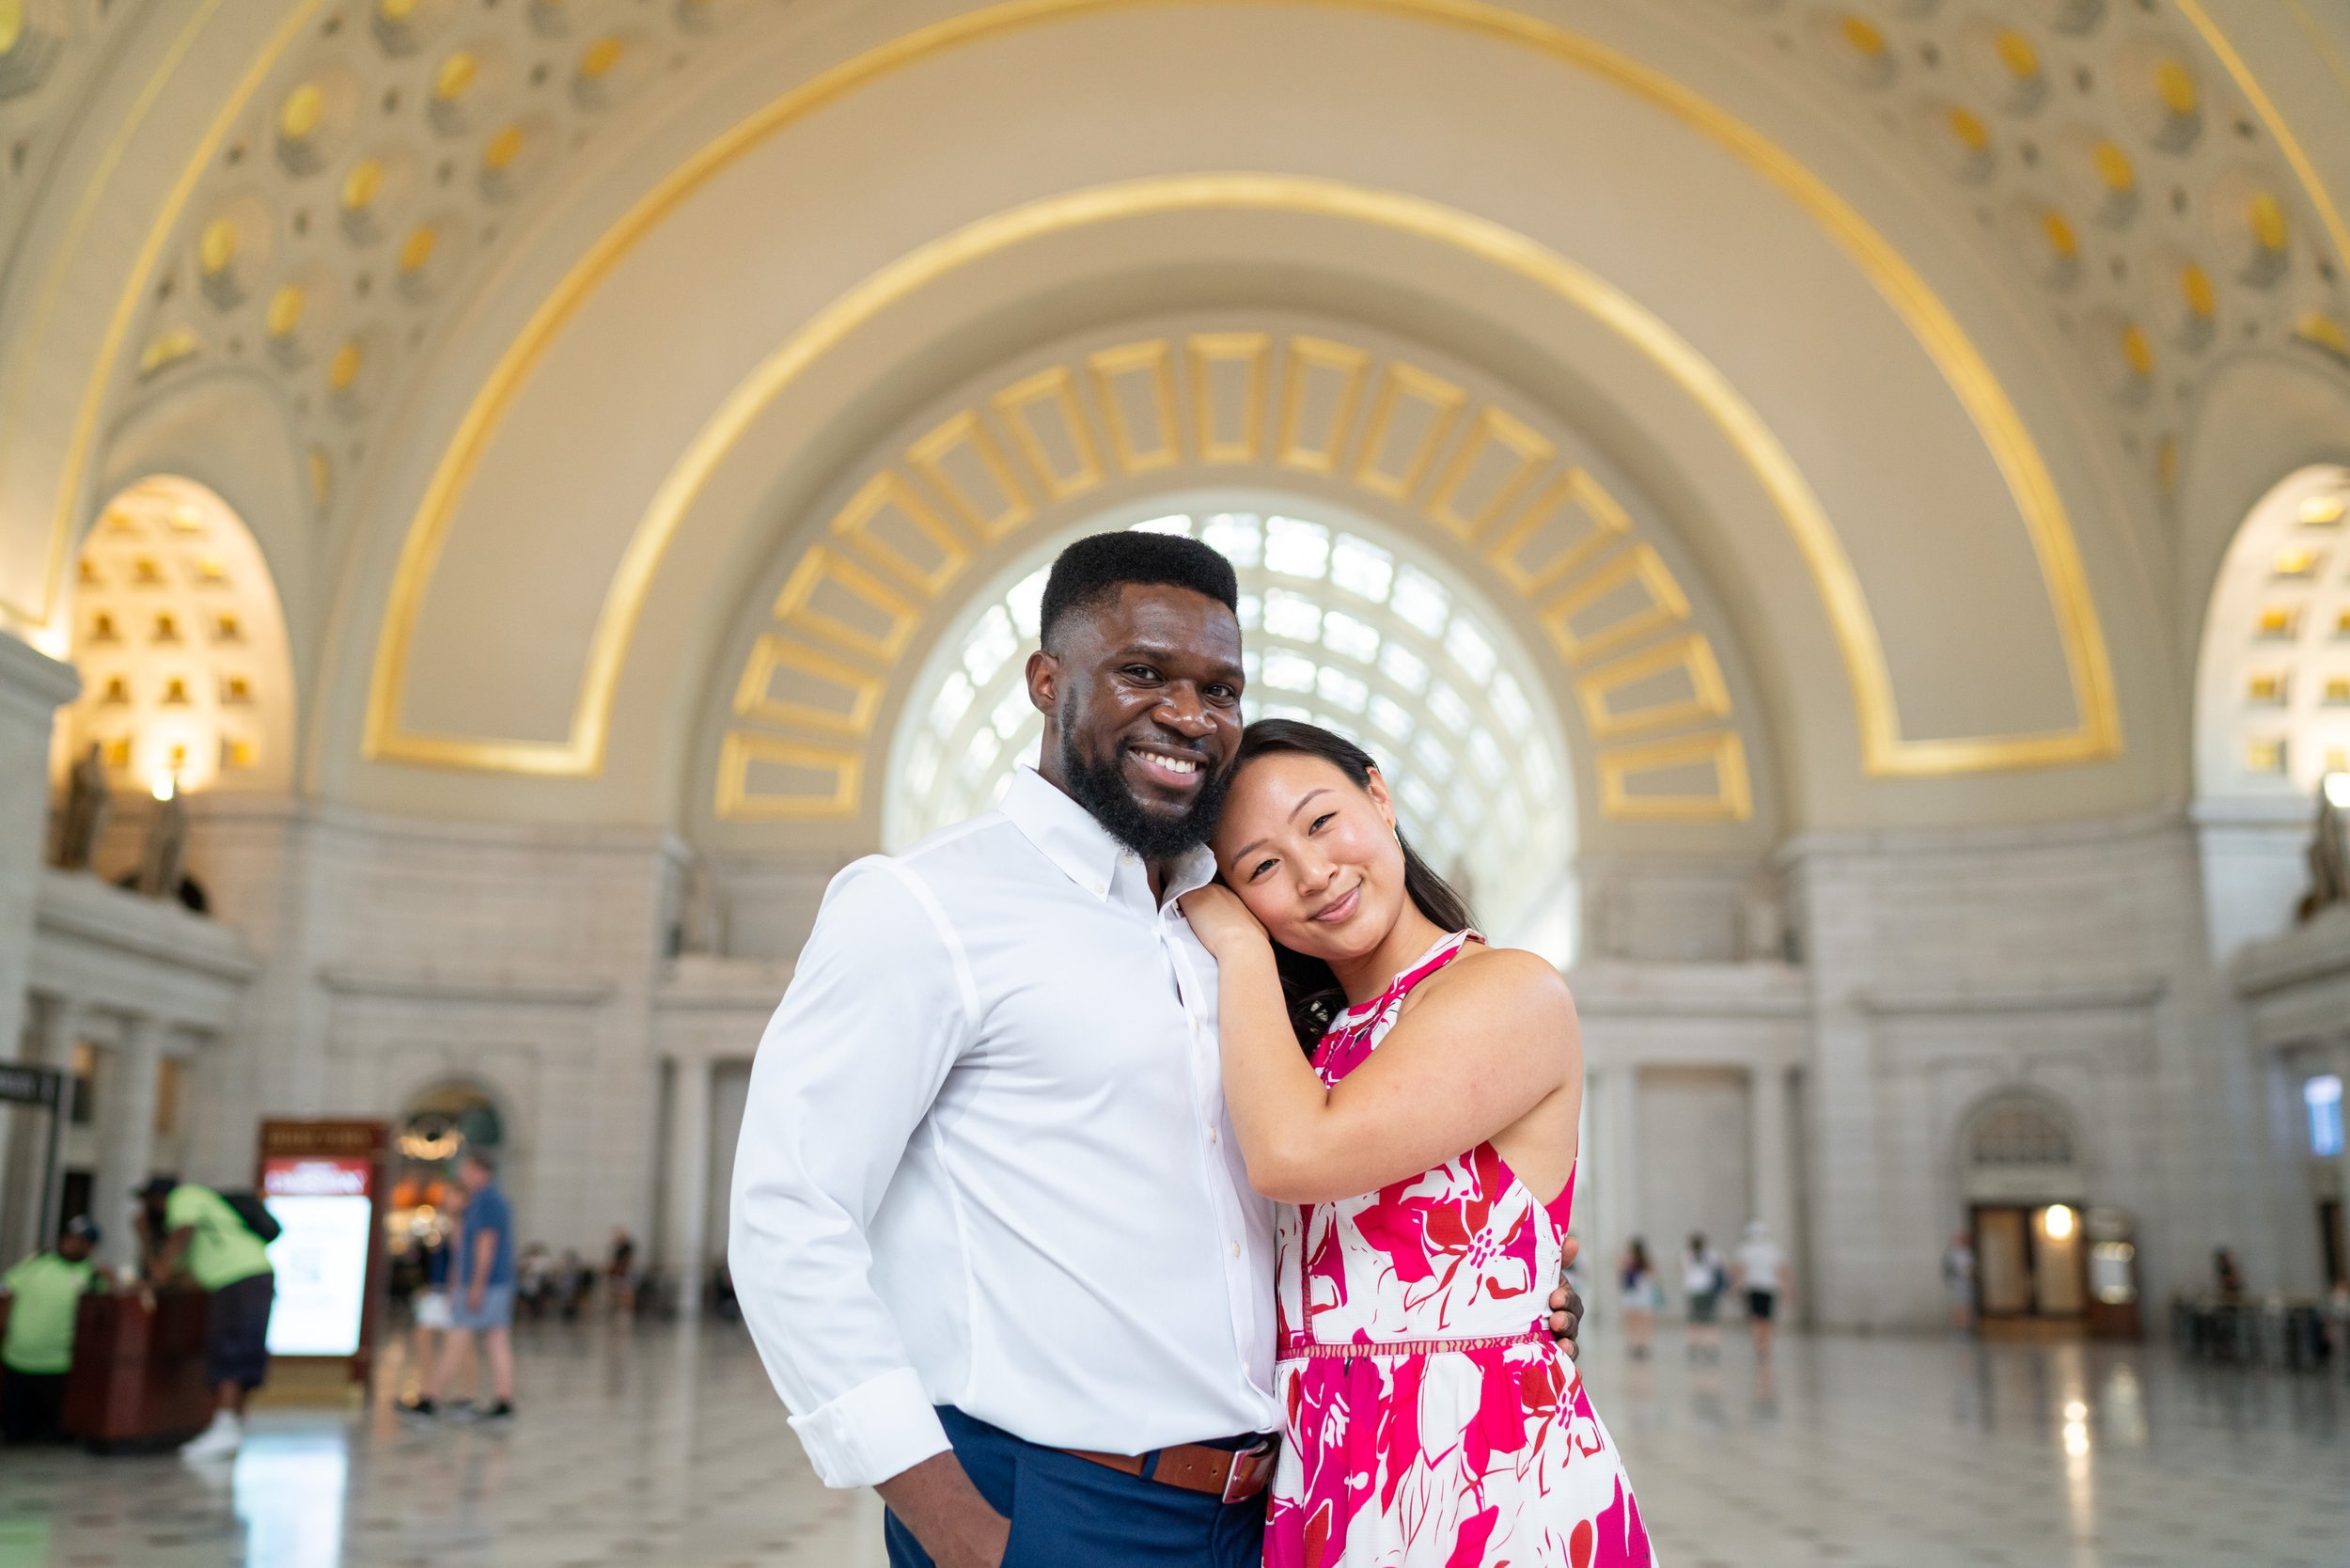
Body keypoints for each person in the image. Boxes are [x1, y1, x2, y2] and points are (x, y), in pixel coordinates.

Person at [730, 533, 1581, 1568]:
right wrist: (954, 1527)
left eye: (1219, 688)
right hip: (1052, 1502)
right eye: (1142, 672)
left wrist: (1503, 1289)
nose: (1187, 714)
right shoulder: (925, 907)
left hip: (1283, 1504)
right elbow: (789, 1213)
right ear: (1047, 680)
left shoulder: (1232, 927)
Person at [1182, 718, 1652, 1565]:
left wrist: (1237, 944)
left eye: (1321, 822)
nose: (1314, 873)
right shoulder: (1316, 1047)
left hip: (1482, 1474)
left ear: (1379, 794)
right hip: (1329, 1476)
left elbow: (1297, 1157)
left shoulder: (1509, 989)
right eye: (1261, 868)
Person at [140, 1177, 276, 1458]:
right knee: (241, 1348)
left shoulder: (186, 1196)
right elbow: (179, 1274)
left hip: (238, 1278)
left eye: (151, 1201)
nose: (150, 1208)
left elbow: (180, 1236)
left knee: (231, 1348)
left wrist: (156, 1265)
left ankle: (225, 1424)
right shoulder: (198, 1229)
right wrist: (147, 1243)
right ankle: (232, 1426)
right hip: (249, 1276)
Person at [405, 1152, 515, 1419]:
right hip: (488, 1284)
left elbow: (485, 1246)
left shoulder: (487, 1202)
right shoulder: (480, 1202)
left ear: (480, 1171)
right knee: (495, 1339)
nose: (463, 1176)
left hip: (485, 1285)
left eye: (467, 1170)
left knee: (457, 1338)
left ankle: (430, 1398)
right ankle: (503, 1400)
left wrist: (475, 1286)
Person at [1, 1216, 104, 1444]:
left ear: (89, 1246)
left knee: (54, 1435)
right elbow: (7, 1292)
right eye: (68, 1237)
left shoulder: (93, 1277)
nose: (70, 1243)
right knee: (15, 1434)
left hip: (58, 1367)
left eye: (78, 1240)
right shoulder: (36, 1262)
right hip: (16, 1361)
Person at [412, 1190, 465, 1374]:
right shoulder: (448, 1225)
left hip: (446, 1291)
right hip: (438, 1289)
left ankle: (438, 1391)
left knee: (459, 1346)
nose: (446, 1199)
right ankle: (431, 1388)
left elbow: (458, 1263)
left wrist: (453, 1291)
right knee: (426, 1338)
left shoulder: (462, 1226)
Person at [1733, 1219, 1787, 1358]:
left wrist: (1736, 1287)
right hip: (1768, 1288)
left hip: (1753, 1288)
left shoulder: (1745, 1250)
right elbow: (1780, 1271)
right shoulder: (1773, 1250)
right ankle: (1766, 1345)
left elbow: (1740, 1271)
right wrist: (1784, 1288)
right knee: (1766, 1319)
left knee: (1756, 1319)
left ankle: (1759, 1344)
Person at [1684, 1231, 1725, 1361]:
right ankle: (1711, 1346)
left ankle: (1694, 1345)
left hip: (1693, 1291)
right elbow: (1720, 1267)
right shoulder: (1712, 1255)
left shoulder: (1687, 1255)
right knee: (1709, 1321)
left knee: (1695, 1320)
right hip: (1708, 1290)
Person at [1620, 1238, 1661, 1360]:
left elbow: (1621, 1274)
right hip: (1641, 1293)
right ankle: (1642, 1343)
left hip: (1633, 1294)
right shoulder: (1644, 1262)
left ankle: (1634, 1343)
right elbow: (1653, 1276)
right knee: (1642, 1321)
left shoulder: (1630, 1261)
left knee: (1634, 1321)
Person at [1943, 1231, 1977, 1333]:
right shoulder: (1953, 1254)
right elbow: (1951, 1270)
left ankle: (1968, 1325)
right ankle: (1960, 1327)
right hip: (1959, 1283)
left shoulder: (1969, 1252)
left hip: (1968, 1283)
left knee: (1968, 1304)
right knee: (1960, 1305)